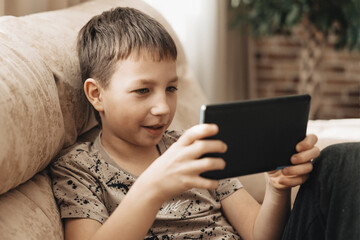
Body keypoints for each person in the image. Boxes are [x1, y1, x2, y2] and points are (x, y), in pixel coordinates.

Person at [49, 7, 358, 240]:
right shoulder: (78, 168)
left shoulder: (198, 149)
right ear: (96, 94)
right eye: (143, 90)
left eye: (171, 89)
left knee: (342, 159)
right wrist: (153, 186)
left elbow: (259, 233)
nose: (162, 107)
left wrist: (276, 187)